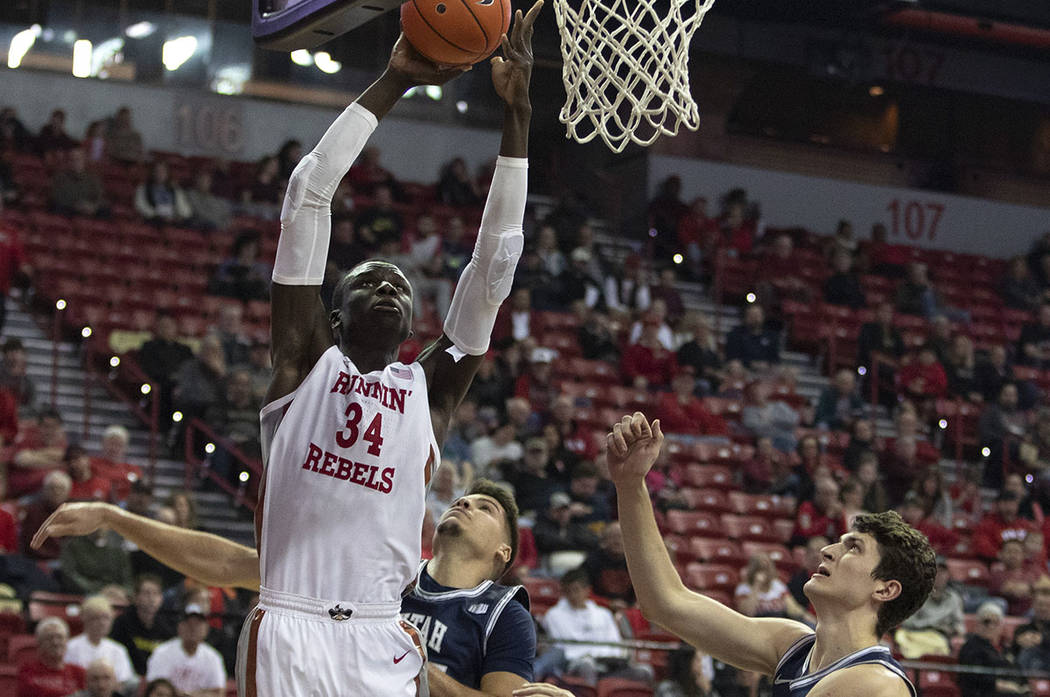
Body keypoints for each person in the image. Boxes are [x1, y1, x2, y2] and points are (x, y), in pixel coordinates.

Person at [31, 479, 569, 697]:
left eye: (487, 507)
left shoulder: (503, 612)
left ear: (505, 553)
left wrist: (410, 666)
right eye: (466, 498)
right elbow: (231, 563)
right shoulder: (383, 572)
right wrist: (114, 518)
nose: (467, 503)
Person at [606, 411, 937, 697]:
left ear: (885, 589)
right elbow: (666, 603)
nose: (828, 550)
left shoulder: (878, 684)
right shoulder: (793, 644)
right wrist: (631, 484)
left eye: (854, 548)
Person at [541, 567, 651, 686]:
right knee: (587, 665)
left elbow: (615, 643)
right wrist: (590, 656)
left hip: (608, 665)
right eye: (568, 591)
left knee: (645, 671)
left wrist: (611, 659)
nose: (573, 595)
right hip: (575, 666)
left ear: (587, 590)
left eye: (576, 590)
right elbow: (561, 650)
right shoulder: (553, 615)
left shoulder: (603, 613)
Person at [145, 602, 226, 697]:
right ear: (179, 627)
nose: (193, 628)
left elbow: (219, 693)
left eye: (198, 624)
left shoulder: (213, 657)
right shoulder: (162, 652)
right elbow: (157, 689)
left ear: (206, 629)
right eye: (188, 623)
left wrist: (187, 695)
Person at [893, 557, 963, 658]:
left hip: (941, 637)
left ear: (948, 575)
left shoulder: (954, 598)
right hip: (916, 635)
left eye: (943, 572)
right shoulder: (918, 595)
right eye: (936, 572)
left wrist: (954, 630)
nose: (940, 576)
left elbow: (959, 625)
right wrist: (933, 625)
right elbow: (907, 622)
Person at [957, 601, 1029, 697]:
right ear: (977, 624)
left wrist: (1024, 686)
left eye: (996, 622)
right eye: (986, 622)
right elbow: (973, 678)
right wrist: (1001, 685)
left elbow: (1017, 670)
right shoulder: (970, 647)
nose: (991, 626)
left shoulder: (1006, 648)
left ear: (1001, 627)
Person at [65, 596, 137, 690]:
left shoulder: (118, 650)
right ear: (85, 619)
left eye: (106, 618)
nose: (102, 623)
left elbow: (123, 682)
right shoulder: (70, 647)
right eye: (96, 618)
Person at [109, 574, 175, 675]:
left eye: (155, 593)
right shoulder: (122, 623)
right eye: (147, 593)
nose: (151, 598)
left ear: (161, 599)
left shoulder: (168, 626)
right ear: (136, 597)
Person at [18, 617, 86, 697]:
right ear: (39, 644)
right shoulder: (28, 672)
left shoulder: (79, 673)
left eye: (60, 637)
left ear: (67, 642)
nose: (55, 642)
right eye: (49, 638)